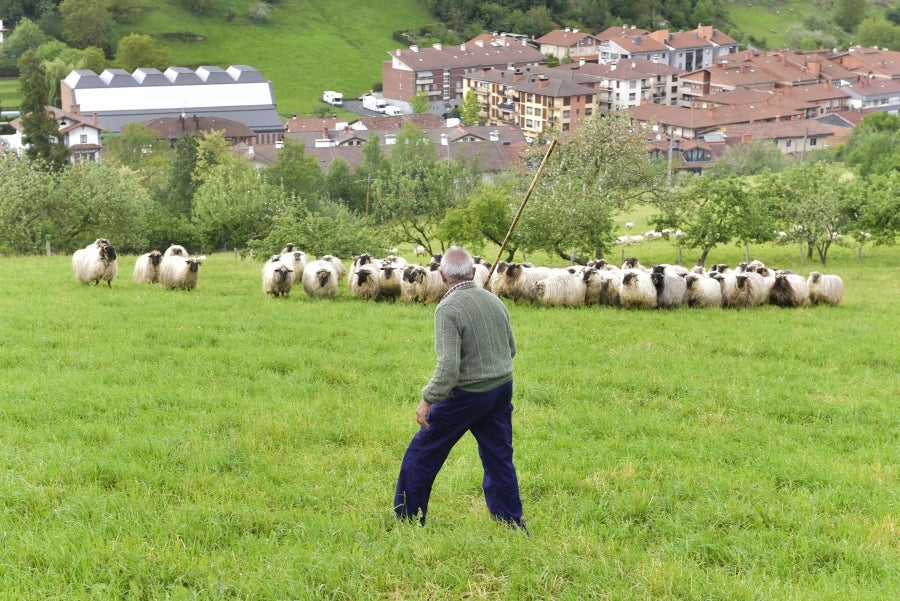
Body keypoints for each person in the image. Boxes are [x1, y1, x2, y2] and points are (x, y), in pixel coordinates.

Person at [394, 246, 526, 532]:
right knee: (498, 457)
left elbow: (448, 368)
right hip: (502, 387)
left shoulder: (448, 308)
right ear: (471, 271)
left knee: (423, 452)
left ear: (442, 276)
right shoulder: (494, 300)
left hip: (468, 394)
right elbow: (511, 349)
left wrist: (427, 400)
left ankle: (407, 517)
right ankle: (511, 522)